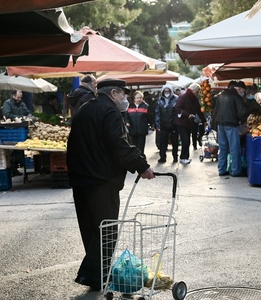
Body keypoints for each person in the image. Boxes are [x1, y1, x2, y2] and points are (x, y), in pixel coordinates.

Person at [67, 78, 155, 291]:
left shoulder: (84, 109)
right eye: (123, 94)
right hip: (101, 180)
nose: (125, 98)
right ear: (113, 93)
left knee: (90, 228)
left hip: (81, 179)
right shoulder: (110, 112)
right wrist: (141, 165)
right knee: (106, 229)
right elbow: (120, 144)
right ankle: (92, 275)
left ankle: (98, 275)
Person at [212, 80, 247, 177]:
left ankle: (221, 169)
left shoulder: (221, 95)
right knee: (234, 148)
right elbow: (242, 112)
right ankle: (236, 170)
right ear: (238, 89)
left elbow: (215, 110)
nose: (242, 93)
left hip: (220, 124)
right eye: (242, 91)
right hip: (231, 124)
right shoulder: (236, 96)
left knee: (223, 148)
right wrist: (242, 120)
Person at [174, 83, 206, 164]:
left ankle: (184, 157)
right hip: (181, 122)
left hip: (188, 122)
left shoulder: (194, 98)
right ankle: (183, 157)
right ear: (193, 90)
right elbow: (178, 108)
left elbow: (198, 110)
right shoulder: (183, 96)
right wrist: (187, 114)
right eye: (197, 91)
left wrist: (203, 120)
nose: (198, 93)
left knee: (187, 140)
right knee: (185, 140)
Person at [1, 90, 31, 176]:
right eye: (18, 97)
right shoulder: (7, 103)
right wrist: (19, 117)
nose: (19, 99)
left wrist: (29, 115)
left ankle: (15, 168)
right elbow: (7, 114)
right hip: (11, 130)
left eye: (20, 97)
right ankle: (12, 168)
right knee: (12, 151)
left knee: (19, 151)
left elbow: (27, 111)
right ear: (13, 96)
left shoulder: (22, 104)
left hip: (21, 130)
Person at [155, 84, 179, 163]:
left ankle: (175, 156)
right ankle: (162, 157)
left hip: (173, 124)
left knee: (175, 142)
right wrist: (157, 124)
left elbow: (178, 111)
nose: (167, 93)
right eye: (165, 91)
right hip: (163, 125)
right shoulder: (160, 100)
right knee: (163, 142)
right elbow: (157, 113)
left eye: (168, 91)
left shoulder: (176, 99)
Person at [124, 91, 150, 155]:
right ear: (134, 99)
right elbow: (126, 116)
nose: (139, 99)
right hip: (132, 130)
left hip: (142, 130)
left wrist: (152, 125)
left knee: (141, 146)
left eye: (140, 98)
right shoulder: (129, 106)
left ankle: (141, 158)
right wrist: (127, 122)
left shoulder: (146, 106)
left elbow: (150, 117)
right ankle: (135, 158)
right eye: (137, 98)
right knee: (133, 145)